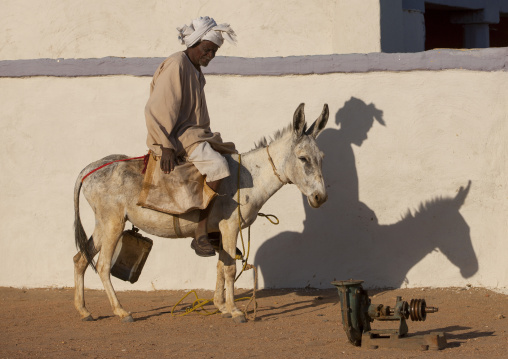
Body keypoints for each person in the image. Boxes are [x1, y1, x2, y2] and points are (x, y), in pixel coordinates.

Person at [143, 16, 237, 257]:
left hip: (197, 134)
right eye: (207, 50)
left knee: (234, 158)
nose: (211, 56)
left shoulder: (195, 70)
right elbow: (159, 108)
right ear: (194, 44)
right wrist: (165, 146)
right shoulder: (177, 65)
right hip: (182, 137)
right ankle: (201, 231)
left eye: (214, 52)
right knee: (218, 167)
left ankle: (215, 227)